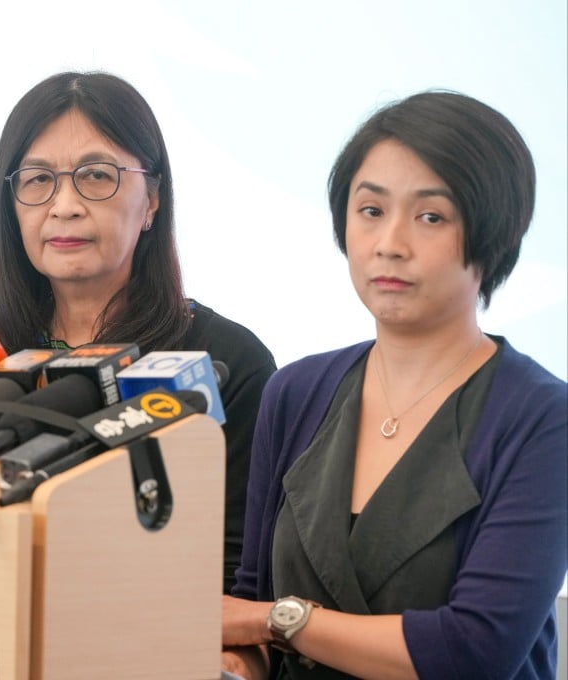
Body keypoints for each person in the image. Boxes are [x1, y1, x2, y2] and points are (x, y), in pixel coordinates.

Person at [221, 91, 567, 679]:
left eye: (431, 216)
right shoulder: (296, 391)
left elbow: (473, 650)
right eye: (371, 211)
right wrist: (236, 666)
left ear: (494, 232)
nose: (390, 244)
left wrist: (282, 621)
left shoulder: (542, 418)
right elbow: (247, 606)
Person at [0, 71, 276, 593]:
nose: (63, 205)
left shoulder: (228, 361)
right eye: (38, 179)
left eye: (96, 175)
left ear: (152, 201)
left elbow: (237, 567)